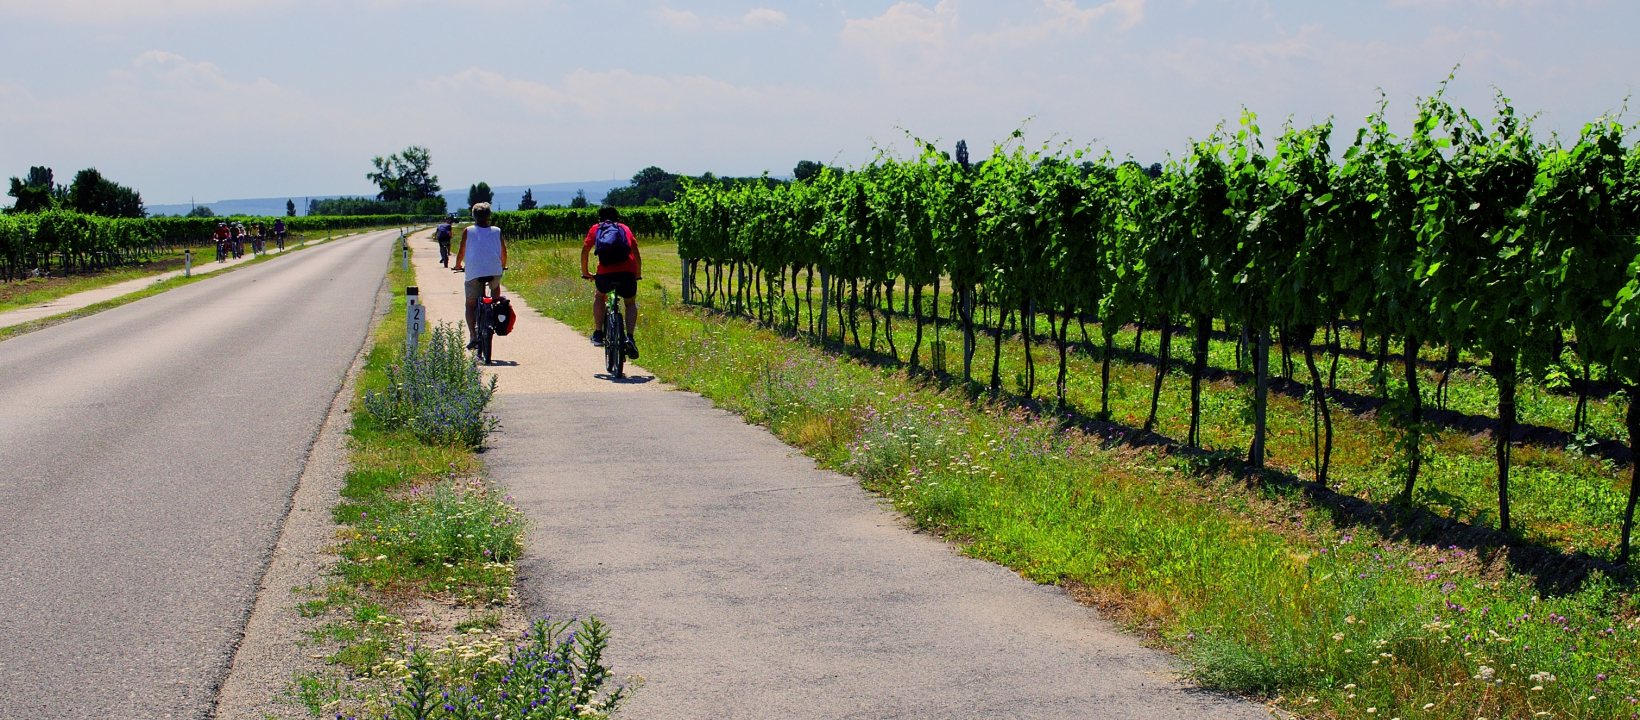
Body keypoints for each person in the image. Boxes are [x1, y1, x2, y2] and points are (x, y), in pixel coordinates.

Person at [580, 205, 641, 358]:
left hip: (605, 275)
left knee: (600, 296)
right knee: (630, 303)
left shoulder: (597, 228)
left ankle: (598, 333)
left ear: (599, 218)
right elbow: (635, 251)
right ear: (617, 217)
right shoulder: (624, 228)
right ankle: (630, 337)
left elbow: (585, 250)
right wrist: (637, 274)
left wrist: (585, 272)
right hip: (627, 274)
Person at [451, 202, 507, 350]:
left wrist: (458, 265)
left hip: (474, 272)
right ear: (489, 216)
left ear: (473, 216)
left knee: (470, 304)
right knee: (495, 289)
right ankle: (493, 312)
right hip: (494, 270)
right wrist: (502, 266)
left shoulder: (468, 231)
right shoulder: (497, 230)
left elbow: (462, 252)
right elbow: (503, 252)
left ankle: (473, 336)